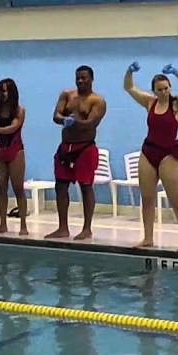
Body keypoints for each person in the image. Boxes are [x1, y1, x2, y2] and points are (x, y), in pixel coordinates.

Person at [123, 62, 178, 250]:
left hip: (168, 154)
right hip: (149, 151)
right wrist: (129, 72)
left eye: (166, 88)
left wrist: (177, 72)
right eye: (160, 89)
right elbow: (129, 87)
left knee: (176, 199)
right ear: (154, 91)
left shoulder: (177, 104)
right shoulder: (150, 102)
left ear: (170, 88)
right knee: (147, 198)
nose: (164, 92)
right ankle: (148, 238)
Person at [47, 65, 107, 241]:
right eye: (78, 78)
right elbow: (56, 115)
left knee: (86, 186)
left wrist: (75, 121)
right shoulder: (67, 95)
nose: (80, 81)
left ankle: (87, 229)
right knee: (60, 186)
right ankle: (62, 228)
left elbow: (91, 123)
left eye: (84, 78)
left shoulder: (97, 101)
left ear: (91, 79)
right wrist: (64, 120)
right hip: (66, 147)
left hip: (85, 148)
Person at [0, 78, 28, 236]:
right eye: (2, 91)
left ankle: (23, 225)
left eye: (7, 91)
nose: (4, 94)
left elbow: (14, 127)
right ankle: (2, 223)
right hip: (0, 150)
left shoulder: (19, 110)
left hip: (15, 150)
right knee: (0, 186)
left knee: (18, 188)